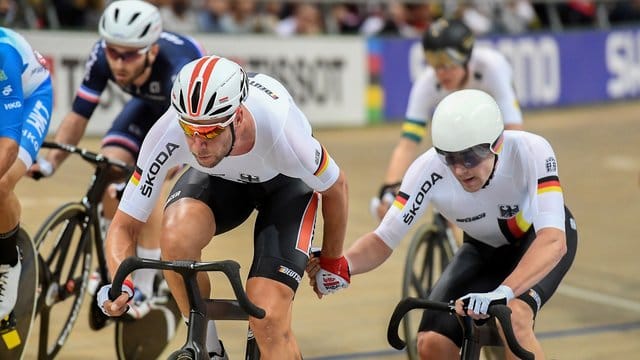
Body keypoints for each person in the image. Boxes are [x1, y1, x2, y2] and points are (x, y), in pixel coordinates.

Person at [96, 55, 350, 359]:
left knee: (266, 317)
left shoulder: (284, 134)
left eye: (210, 132)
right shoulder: (168, 132)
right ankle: (210, 350)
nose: (198, 145)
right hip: (218, 178)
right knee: (175, 238)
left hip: (285, 186)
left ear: (238, 117)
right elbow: (125, 224)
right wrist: (119, 282)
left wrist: (332, 260)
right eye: (190, 132)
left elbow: (337, 188)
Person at [309, 89, 578, 359]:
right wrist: (343, 265)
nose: (460, 169)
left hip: (535, 242)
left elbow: (554, 241)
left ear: (495, 145)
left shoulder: (532, 150)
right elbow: (382, 239)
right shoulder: (428, 168)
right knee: (431, 343)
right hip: (482, 249)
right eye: (450, 158)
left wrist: (503, 292)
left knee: (514, 319)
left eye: (470, 158)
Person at [28, 0, 205, 303]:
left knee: (148, 186)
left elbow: (185, 141)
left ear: (151, 50)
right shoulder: (101, 56)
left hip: (186, 120)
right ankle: (117, 254)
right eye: (113, 53)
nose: (119, 63)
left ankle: (146, 287)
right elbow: (77, 115)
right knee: (110, 165)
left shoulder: (179, 67)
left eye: (129, 55)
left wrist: (145, 179)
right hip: (144, 109)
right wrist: (50, 164)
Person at [375, 17, 524, 220]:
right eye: (435, 65)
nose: (441, 73)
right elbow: (408, 143)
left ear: (465, 59)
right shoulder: (426, 84)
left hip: (490, 119)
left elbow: (515, 131)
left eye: (448, 64)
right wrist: (389, 188)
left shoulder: (492, 67)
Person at [0, 27, 53, 322]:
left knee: (2, 184)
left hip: (30, 100)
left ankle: (8, 263)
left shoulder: (3, 54)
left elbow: (8, 142)